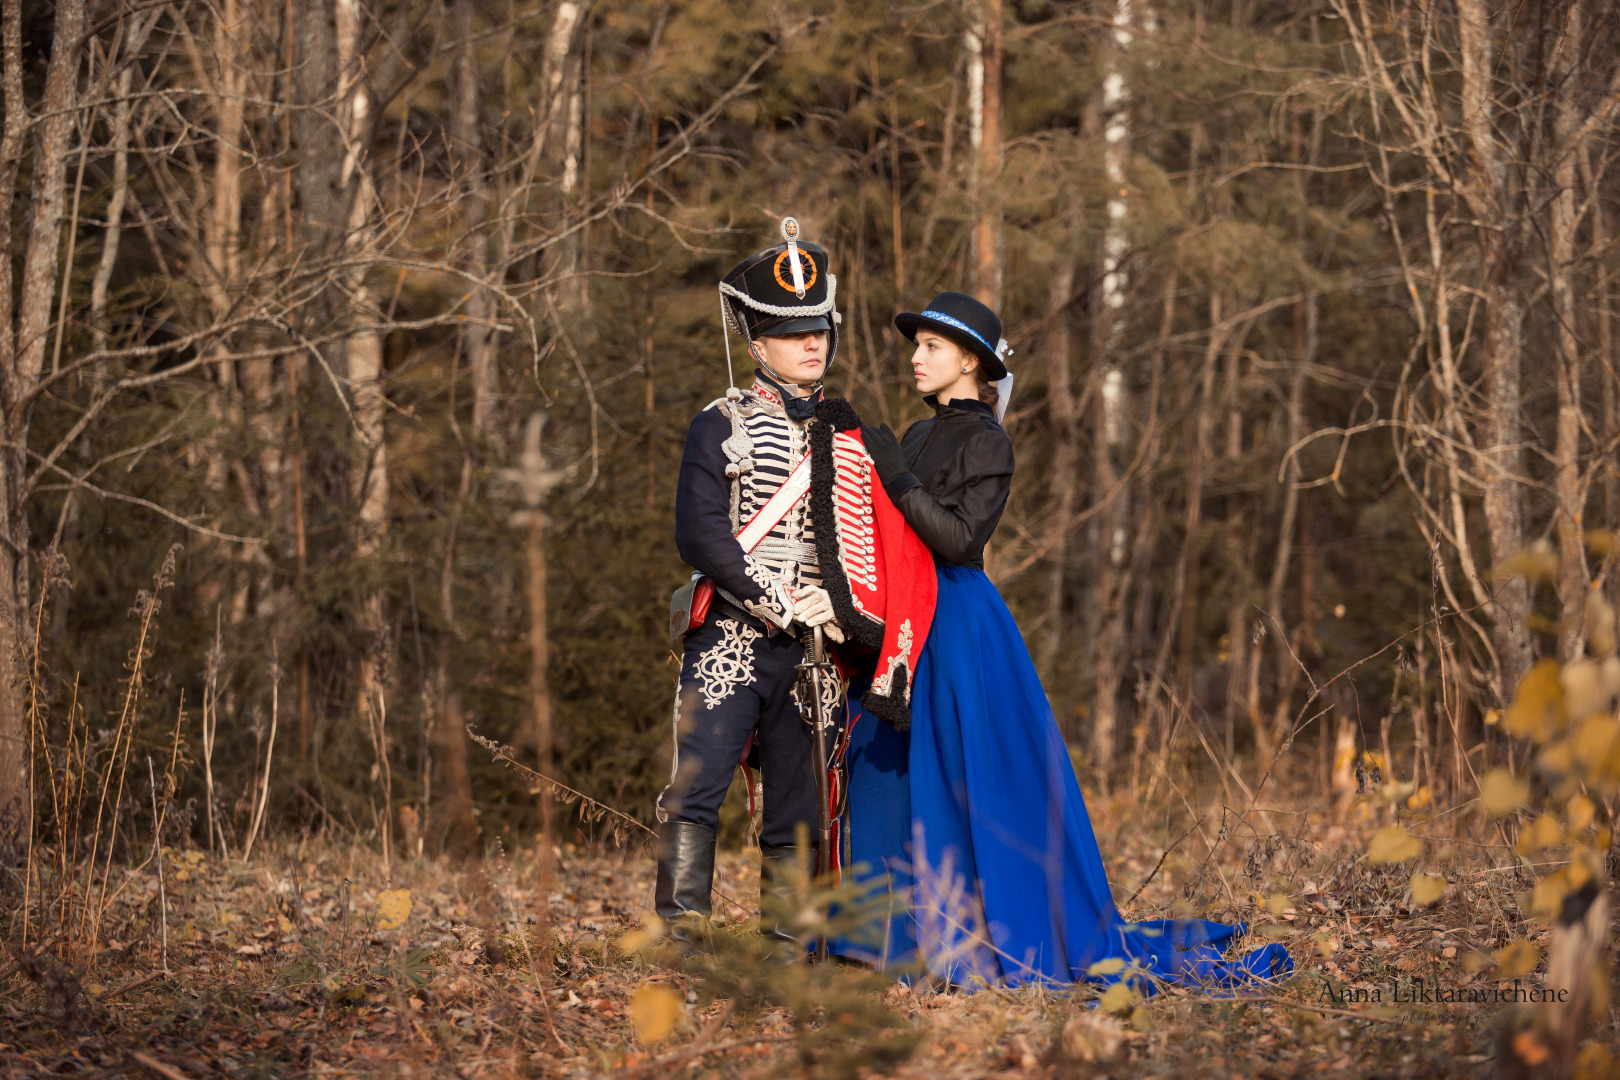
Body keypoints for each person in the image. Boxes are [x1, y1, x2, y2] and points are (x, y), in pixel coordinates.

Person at [836, 290, 1294, 992]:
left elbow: (959, 539)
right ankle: (878, 941)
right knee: (882, 767)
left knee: (962, 778)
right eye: (916, 346)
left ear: (969, 360)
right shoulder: (918, 434)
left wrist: (892, 472)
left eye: (930, 347)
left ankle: (969, 940)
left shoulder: (989, 440)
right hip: (901, 620)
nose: (916, 359)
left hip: (957, 623)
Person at [653, 218, 936, 955]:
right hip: (734, 637)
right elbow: (701, 532)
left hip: (816, 650)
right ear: (756, 344)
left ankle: (784, 949)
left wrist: (847, 613)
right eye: (790, 332)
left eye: (819, 329)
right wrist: (772, 598)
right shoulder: (719, 425)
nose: (812, 344)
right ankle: (684, 938)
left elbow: (878, 545)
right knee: (699, 783)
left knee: (799, 805)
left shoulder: (853, 440)